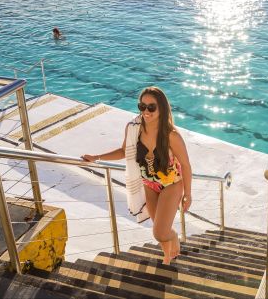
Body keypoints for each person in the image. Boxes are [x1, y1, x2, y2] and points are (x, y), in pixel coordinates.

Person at [82, 86, 192, 265]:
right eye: (142, 106)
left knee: (160, 232)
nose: (146, 111)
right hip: (149, 185)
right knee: (158, 228)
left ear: (161, 108)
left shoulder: (171, 135)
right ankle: (167, 260)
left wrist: (188, 194)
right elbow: (124, 151)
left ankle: (174, 237)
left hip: (172, 184)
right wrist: (96, 157)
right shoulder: (134, 128)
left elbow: (186, 166)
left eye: (151, 107)